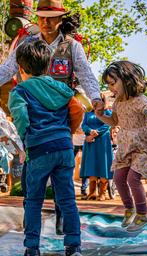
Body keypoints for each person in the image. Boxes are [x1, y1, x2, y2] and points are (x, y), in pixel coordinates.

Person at [0, 0, 104, 235]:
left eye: (51, 17)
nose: (46, 22)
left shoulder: (72, 46)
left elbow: (86, 74)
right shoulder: (27, 42)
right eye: (42, 17)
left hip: (60, 113)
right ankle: (31, 214)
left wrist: (95, 98)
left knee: (62, 173)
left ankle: (61, 216)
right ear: (36, 18)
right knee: (31, 165)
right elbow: (7, 68)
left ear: (60, 19)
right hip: (33, 111)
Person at [8, 41, 83, 256]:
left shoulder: (20, 91)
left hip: (39, 148)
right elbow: (78, 110)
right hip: (63, 147)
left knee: (33, 200)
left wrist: (26, 137)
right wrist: (67, 131)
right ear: (49, 66)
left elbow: (21, 117)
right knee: (67, 198)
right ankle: (73, 245)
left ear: (21, 69)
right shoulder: (63, 89)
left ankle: (32, 247)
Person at [96, 61, 147, 232]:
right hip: (125, 143)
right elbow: (114, 121)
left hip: (143, 144)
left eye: (113, 82)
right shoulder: (117, 102)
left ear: (127, 79)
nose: (110, 88)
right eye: (108, 84)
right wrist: (100, 116)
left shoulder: (141, 100)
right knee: (118, 178)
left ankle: (143, 214)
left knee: (133, 179)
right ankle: (129, 208)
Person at [80, 96, 113, 201]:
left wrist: (95, 133)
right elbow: (84, 125)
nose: (94, 102)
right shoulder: (88, 113)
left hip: (103, 141)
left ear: (102, 101)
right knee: (91, 165)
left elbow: (108, 124)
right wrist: (90, 132)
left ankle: (102, 193)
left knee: (103, 165)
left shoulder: (107, 112)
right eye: (93, 100)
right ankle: (92, 192)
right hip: (90, 141)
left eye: (97, 100)